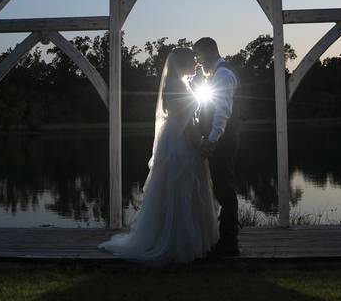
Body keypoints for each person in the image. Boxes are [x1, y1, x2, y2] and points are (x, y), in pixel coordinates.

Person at [98, 47, 218, 265]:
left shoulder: (175, 84)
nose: (196, 64)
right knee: (182, 192)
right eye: (192, 60)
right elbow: (187, 125)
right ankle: (179, 245)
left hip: (172, 141)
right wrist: (200, 144)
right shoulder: (178, 87)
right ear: (181, 63)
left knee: (174, 193)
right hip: (182, 144)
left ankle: (171, 238)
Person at [192, 36, 241, 256]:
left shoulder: (223, 74)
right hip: (219, 141)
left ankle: (229, 244)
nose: (198, 61)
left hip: (222, 142)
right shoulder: (214, 75)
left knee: (225, 189)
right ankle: (225, 238)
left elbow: (222, 112)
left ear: (210, 51)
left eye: (199, 56)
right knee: (222, 188)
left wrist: (211, 140)